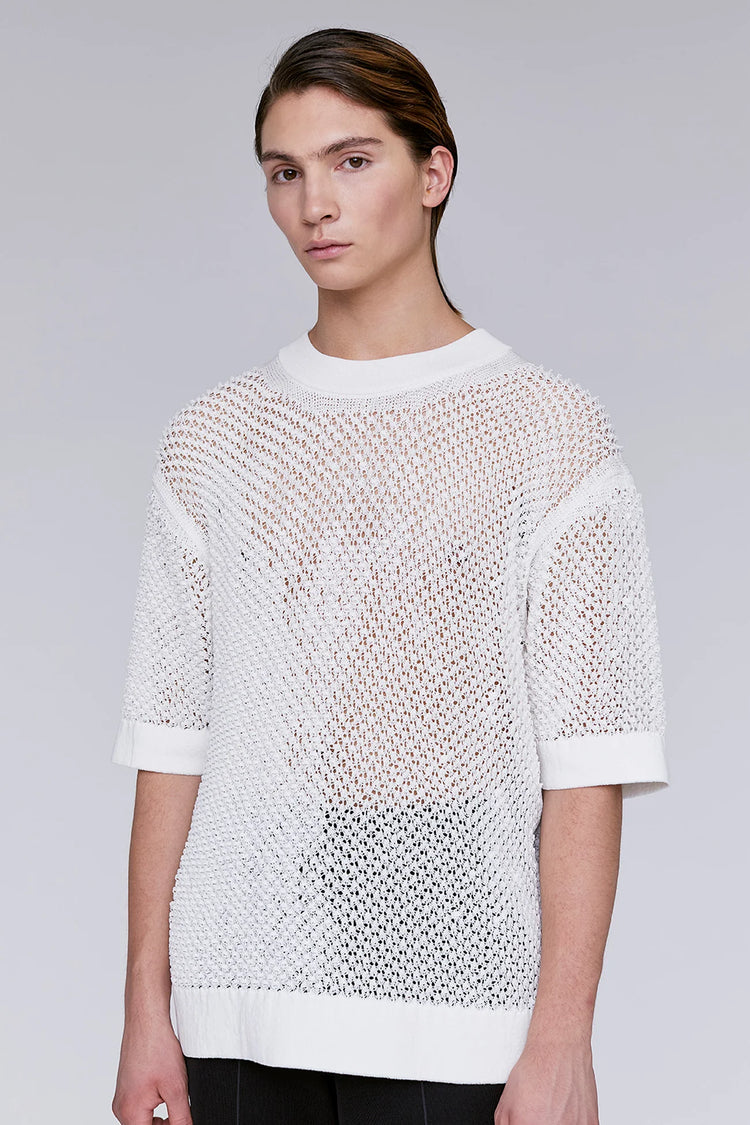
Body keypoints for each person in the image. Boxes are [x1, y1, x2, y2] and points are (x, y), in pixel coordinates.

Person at [110, 25, 669, 1125]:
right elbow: (172, 739)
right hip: (235, 983)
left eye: (352, 161)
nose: (315, 204)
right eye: (285, 172)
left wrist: (563, 1037)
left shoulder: (548, 433)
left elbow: (588, 761)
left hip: (457, 980)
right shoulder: (215, 440)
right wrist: (144, 1006)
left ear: (433, 173)